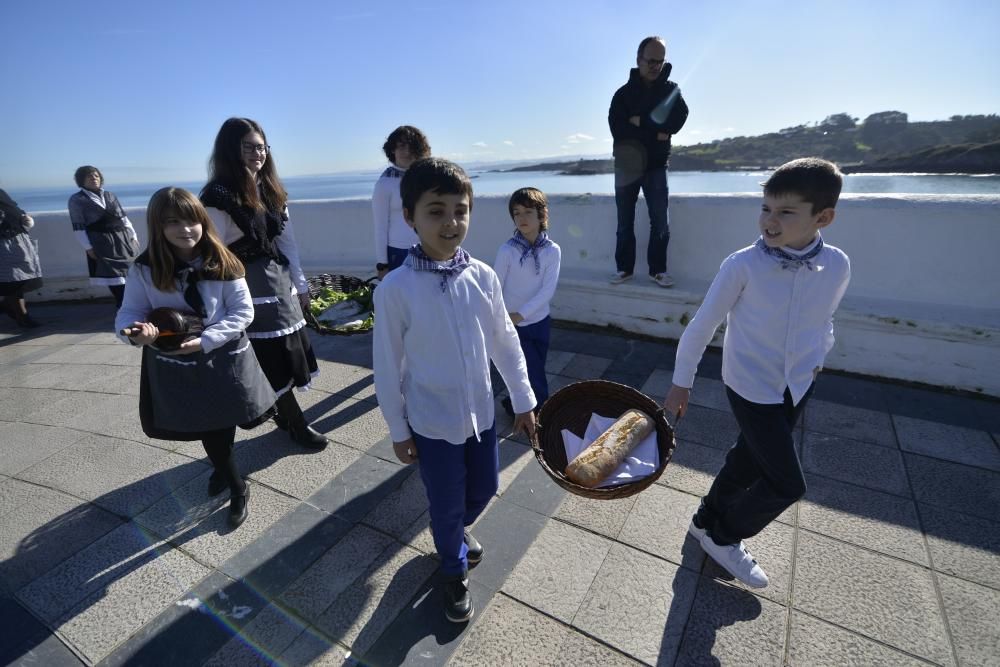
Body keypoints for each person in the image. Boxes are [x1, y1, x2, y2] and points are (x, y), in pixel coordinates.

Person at [663, 158, 851, 588]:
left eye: (786, 212)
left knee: (747, 458)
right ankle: (724, 537)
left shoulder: (838, 265)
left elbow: (825, 318)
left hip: (799, 382)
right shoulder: (742, 264)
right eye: (766, 208)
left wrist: (821, 353)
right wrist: (681, 381)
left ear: (823, 217)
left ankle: (705, 519)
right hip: (749, 386)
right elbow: (703, 323)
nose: (770, 220)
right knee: (786, 483)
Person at [373, 158, 537, 623]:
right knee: (446, 501)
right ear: (410, 217)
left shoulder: (483, 276)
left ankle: (453, 530)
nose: (451, 223)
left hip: (481, 416)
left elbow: (506, 342)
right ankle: (452, 566)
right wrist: (398, 428)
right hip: (431, 421)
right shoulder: (396, 289)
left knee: (486, 487)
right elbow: (387, 365)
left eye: (460, 211)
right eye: (436, 211)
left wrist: (524, 400)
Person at [116, 188, 278, 527]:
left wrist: (206, 339)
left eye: (191, 220)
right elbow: (131, 312)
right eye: (172, 222)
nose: (184, 229)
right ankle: (236, 485)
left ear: (202, 221)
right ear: (157, 226)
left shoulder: (224, 261)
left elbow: (242, 312)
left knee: (224, 419)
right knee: (210, 425)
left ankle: (222, 467)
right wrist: (135, 333)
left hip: (222, 356)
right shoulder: (145, 269)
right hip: (176, 362)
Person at [200, 117, 328, 449]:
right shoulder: (218, 195)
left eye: (262, 147)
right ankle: (295, 423)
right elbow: (213, 251)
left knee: (285, 349)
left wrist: (300, 284)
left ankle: (286, 416)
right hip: (244, 282)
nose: (258, 153)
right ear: (231, 149)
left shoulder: (270, 189)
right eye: (249, 147)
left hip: (276, 278)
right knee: (267, 355)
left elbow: (287, 242)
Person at [608, 35, 689, 288]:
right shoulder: (622, 95)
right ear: (638, 59)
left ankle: (658, 271)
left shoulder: (671, 91)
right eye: (651, 60)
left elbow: (678, 120)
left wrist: (640, 121)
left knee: (660, 221)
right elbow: (619, 130)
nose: (655, 65)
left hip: (656, 165)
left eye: (660, 61)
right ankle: (624, 269)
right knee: (624, 221)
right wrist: (656, 130)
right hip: (626, 166)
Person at [494, 187, 561, 415]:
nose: (521, 218)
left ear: (542, 215)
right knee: (527, 369)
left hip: (540, 320)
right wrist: (506, 317)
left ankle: (515, 404)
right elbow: (496, 286)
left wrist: (523, 313)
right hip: (513, 323)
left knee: (537, 365)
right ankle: (540, 410)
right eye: (516, 213)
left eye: (528, 212)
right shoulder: (507, 250)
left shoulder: (552, 251)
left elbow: (547, 290)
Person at [67, 166, 140, 307]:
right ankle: (122, 305)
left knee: (130, 274)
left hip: (123, 240)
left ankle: (131, 305)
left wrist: (134, 236)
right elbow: (78, 227)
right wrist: (88, 248)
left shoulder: (110, 195)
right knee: (113, 276)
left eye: (96, 176)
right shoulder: (77, 200)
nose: (94, 178)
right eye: (89, 176)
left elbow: (123, 218)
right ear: (81, 180)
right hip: (101, 242)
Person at [373, 126, 431, 279]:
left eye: (412, 146)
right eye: (401, 146)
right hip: (398, 253)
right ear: (392, 150)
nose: (406, 151)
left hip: (428, 248)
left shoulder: (427, 178)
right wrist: (382, 264)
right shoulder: (385, 183)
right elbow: (380, 226)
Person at [0, 188, 43, 328]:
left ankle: (8, 306)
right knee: (13, 281)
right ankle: (22, 316)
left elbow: (13, 208)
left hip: (18, 238)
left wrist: (24, 217)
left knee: (22, 279)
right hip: (4, 242)